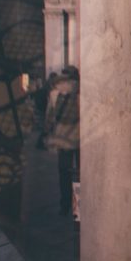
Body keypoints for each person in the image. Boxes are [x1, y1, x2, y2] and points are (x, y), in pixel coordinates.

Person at [43, 66, 80, 217]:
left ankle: (65, 206)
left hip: (63, 140)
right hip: (80, 139)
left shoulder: (54, 94)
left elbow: (49, 119)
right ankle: (78, 208)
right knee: (81, 173)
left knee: (64, 173)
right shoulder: (80, 95)